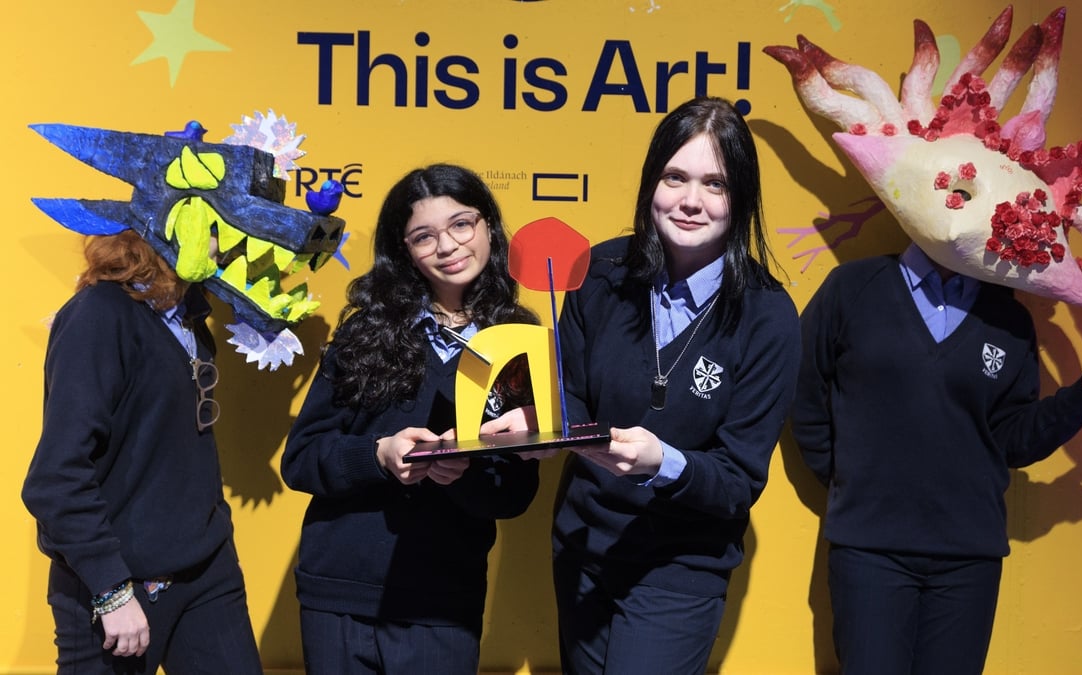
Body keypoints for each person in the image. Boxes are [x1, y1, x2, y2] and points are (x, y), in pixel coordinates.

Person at [526, 96, 801, 673]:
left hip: (679, 568)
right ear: (652, 180)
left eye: (715, 184)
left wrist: (663, 462)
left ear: (741, 197)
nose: (690, 201)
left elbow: (737, 479)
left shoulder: (768, 315)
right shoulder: (599, 272)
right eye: (675, 177)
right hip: (581, 548)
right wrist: (542, 424)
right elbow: (568, 391)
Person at [790, 241, 1082, 675]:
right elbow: (802, 391)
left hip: (969, 558)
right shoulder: (852, 287)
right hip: (869, 550)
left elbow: (1012, 440)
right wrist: (847, 477)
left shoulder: (1009, 318)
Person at [280, 164, 541, 673]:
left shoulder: (516, 340)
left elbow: (515, 495)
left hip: (441, 601)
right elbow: (301, 460)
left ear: (488, 226)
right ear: (404, 251)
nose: (447, 246)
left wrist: (460, 473)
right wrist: (377, 455)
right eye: (424, 236)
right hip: (338, 594)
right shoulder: (366, 332)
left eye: (462, 224)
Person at [22, 229, 263, 673]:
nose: (235, 241)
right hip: (118, 586)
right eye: (221, 228)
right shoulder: (100, 314)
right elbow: (55, 478)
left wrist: (216, 540)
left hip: (207, 573)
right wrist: (110, 589)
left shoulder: (187, 317)